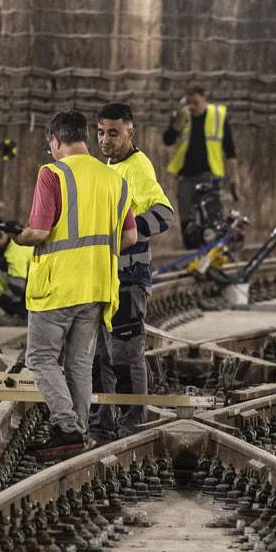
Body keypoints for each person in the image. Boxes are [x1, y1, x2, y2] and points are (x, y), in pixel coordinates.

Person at [18, 110, 135, 459]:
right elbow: (128, 237)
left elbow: (38, 232)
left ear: (55, 141)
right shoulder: (115, 178)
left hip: (59, 285)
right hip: (99, 285)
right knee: (80, 364)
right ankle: (79, 433)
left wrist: (16, 237)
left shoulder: (52, 173)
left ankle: (66, 426)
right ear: (84, 136)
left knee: (40, 357)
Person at [92, 102, 176, 438]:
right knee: (101, 355)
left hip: (129, 278)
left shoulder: (137, 167)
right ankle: (102, 421)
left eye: (113, 133)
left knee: (125, 353)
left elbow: (164, 213)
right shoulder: (109, 167)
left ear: (130, 131)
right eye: (100, 132)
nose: (105, 140)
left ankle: (132, 420)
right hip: (105, 279)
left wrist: (129, 234)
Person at [161, 86, 234, 248]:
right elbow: (168, 140)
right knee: (187, 214)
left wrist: (235, 178)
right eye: (189, 103)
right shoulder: (181, 117)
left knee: (212, 214)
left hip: (210, 173)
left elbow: (230, 150)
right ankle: (190, 250)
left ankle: (214, 250)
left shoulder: (217, 116)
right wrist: (179, 123)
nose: (193, 107)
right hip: (186, 175)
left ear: (204, 100)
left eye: (196, 102)